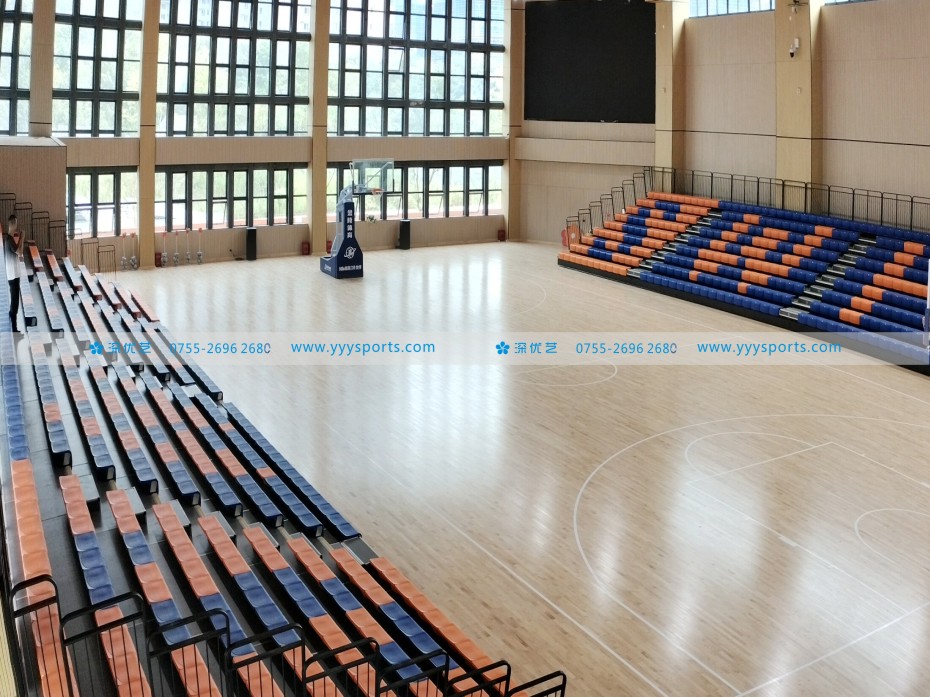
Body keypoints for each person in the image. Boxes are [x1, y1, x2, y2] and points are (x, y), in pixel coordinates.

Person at [3, 214, 22, 332]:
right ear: (12, 224)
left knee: (15, 299)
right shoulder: (9, 239)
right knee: (15, 300)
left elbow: (18, 250)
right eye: (16, 223)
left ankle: (11, 316)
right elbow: (19, 252)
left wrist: (20, 239)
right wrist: (22, 237)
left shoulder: (10, 239)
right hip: (12, 274)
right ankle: (14, 328)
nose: (16, 226)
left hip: (15, 272)